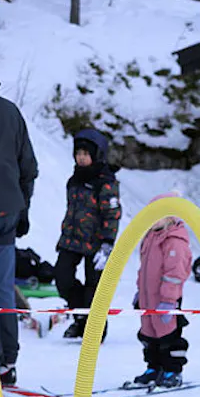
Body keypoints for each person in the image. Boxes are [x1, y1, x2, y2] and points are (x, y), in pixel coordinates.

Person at [0, 57, 39, 386]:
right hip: (7, 213)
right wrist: (23, 209)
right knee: (3, 292)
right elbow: (28, 168)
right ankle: (7, 363)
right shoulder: (10, 112)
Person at [55, 128, 121, 341]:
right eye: (78, 153)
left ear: (96, 155)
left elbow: (112, 214)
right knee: (62, 278)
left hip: (97, 243)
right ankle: (80, 318)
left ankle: (94, 328)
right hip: (71, 240)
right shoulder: (74, 179)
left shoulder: (105, 182)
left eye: (86, 154)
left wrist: (107, 243)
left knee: (94, 288)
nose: (81, 158)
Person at [130, 204, 192, 389]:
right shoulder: (150, 237)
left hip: (167, 299)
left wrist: (169, 300)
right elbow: (144, 269)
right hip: (148, 297)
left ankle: (172, 370)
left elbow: (176, 273)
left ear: (170, 218)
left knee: (169, 334)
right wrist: (139, 292)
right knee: (149, 333)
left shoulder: (175, 241)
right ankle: (153, 367)